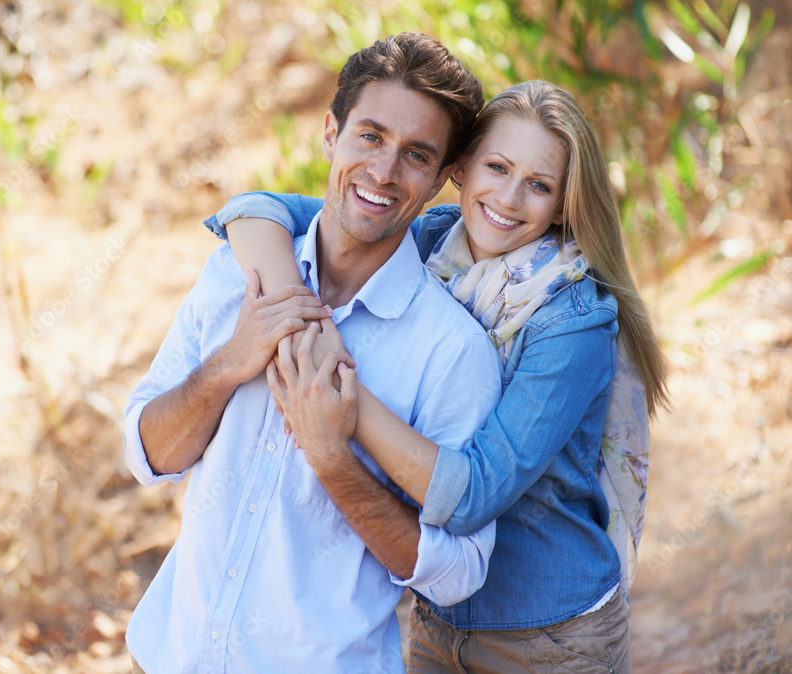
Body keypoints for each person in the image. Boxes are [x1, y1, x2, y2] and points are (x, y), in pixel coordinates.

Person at [205, 79, 670, 673]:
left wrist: (334, 381)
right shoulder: (430, 238)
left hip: (550, 635)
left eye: (539, 185)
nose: (508, 198)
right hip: (435, 615)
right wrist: (300, 313)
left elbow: (474, 493)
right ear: (461, 168)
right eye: (496, 167)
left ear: (562, 204)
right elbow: (253, 211)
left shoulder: (571, 318)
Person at [123, 33, 502, 673]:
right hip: (170, 656)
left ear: (442, 180)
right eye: (370, 136)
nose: (384, 172)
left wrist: (333, 459)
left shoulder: (452, 352)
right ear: (331, 133)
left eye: (416, 155)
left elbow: (458, 572)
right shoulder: (233, 274)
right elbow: (146, 454)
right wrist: (224, 367)